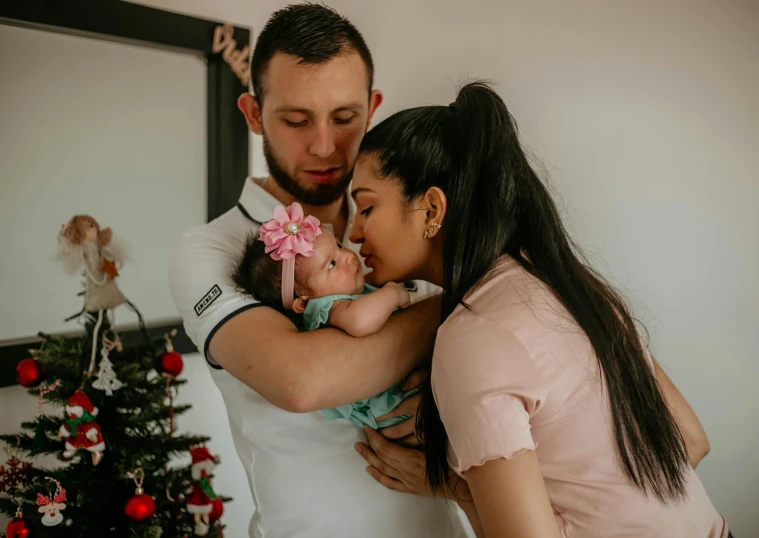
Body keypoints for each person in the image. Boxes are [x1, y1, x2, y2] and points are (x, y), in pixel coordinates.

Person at [348, 81, 732, 537]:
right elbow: (691, 442)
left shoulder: (473, 335)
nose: (353, 232)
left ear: (431, 209)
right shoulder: (572, 285)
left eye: (366, 207)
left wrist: (455, 485)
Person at [168, 4, 468, 537]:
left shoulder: (413, 224)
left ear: (373, 108)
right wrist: (454, 304)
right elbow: (303, 380)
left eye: (345, 118)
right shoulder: (210, 249)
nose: (325, 146)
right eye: (296, 120)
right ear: (254, 113)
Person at [231, 201, 419, 429]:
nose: (348, 257)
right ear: (304, 303)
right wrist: (392, 293)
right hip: (392, 402)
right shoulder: (329, 307)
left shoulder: (343, 293)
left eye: (338, 246)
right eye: (331, 264)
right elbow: (360, 322)